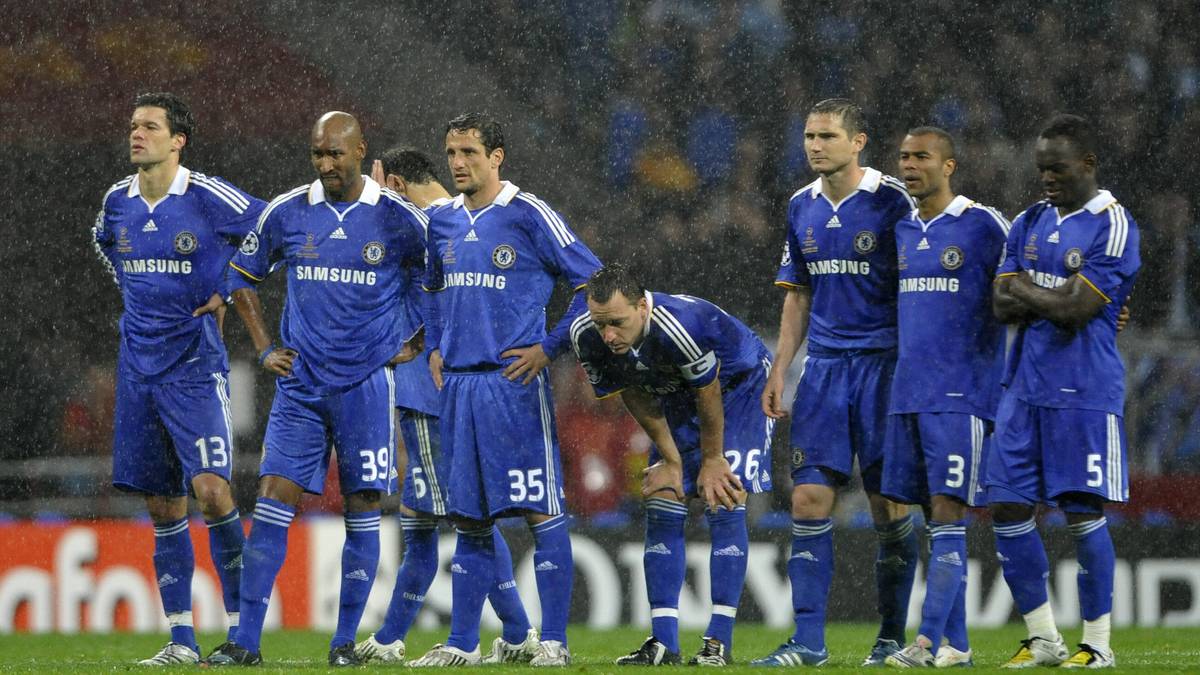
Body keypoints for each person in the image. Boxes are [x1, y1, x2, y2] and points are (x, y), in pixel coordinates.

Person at [204, 112, 429, 667]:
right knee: (271, 500)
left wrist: (418, 339)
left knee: (363, 507)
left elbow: (443, 277)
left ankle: (343, 642)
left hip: (366, 387)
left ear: (361, 150)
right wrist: (264, 348)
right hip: (301, 387)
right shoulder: (288, 211)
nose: (326, 163)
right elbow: (240, 275)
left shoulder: (397, 216)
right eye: (317, 153)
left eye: (335, 153)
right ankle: (245, 642)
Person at [407, 112, 602, 667]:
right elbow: (431, 287)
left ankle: (554, 642)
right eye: (451, 153)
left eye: (469, 152)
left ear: (496, 157)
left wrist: (550, 347)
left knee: (540, 509)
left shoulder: (528, 213)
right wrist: (435, 344)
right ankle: (463, 645)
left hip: (512, 385)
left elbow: (594, 282)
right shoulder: (441, 221)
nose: (458, 162)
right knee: (469, 520)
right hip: (458, 388)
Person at [92, 92, 262, 666]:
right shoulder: (117, 201)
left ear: (178, 140)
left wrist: (227, 286)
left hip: (194, 368)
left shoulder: (208, 196)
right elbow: (105, 245)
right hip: (138, 372)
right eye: (133, 125)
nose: (136, 134)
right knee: (164, 508)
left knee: (212, 493)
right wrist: (141, 302)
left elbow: (274, 228)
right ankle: (182, 641)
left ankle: (241, 634)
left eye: (149, 126)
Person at [355, 147, 539, 664]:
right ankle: (391, 638)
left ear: (395, 183)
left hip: (430, 392)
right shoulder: (454, 223)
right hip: (441, 391)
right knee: (421, 518)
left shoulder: (434, 225)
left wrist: (380, 207)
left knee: (469, 518)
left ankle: (509, 633)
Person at [752, 99, 918, 668]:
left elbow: (920, 283)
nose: (815, 146)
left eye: (826, 136)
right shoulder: (801, 205)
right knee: (807, 498)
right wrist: (780, 368)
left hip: (883, 368)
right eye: (809, 136)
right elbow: (798, 294)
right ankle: (808, 642)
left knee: (887, 505)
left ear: (858, 141)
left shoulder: (894, 201)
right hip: (823, 371)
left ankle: (890, 637)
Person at [988, 114, 1140, 669]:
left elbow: (1076, 310)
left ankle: (1097, 643)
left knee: (1080, 510)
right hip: (1023, 388)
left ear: (1088, 164)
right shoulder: (1028, 220)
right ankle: (1044, 638)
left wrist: (1026, 287)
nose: (1047, 178)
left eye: (1057, 168)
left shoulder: (1113, 224)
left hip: (1083, 390)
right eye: (1041, 169)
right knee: (1006, 504)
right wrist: (1049, 294)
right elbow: (998, 304)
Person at [571, 263, 772, 667]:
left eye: (617, 323)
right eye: (600, 324)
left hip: (739, 386)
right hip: (676, 392)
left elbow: (709, 390)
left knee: (723, 496)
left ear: (642, 308)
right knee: (664, 495)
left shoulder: (679, 325)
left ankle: (717, 642)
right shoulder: (585, 335)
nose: (608, 335)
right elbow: (630, 390)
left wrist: (712, 460)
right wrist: (672, 459)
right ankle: (664, 643)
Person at [880, 127, 1010, 668]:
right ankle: (957, 645)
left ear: (949, 165)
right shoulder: (903, 228)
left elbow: (1030, 283)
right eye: (904, 157)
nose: (910, 166)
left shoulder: (983, 224)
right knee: (931, 516)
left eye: (922, 157)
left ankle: (927, 642)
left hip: (961, 393)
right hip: (908, 392)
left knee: (948, 511)